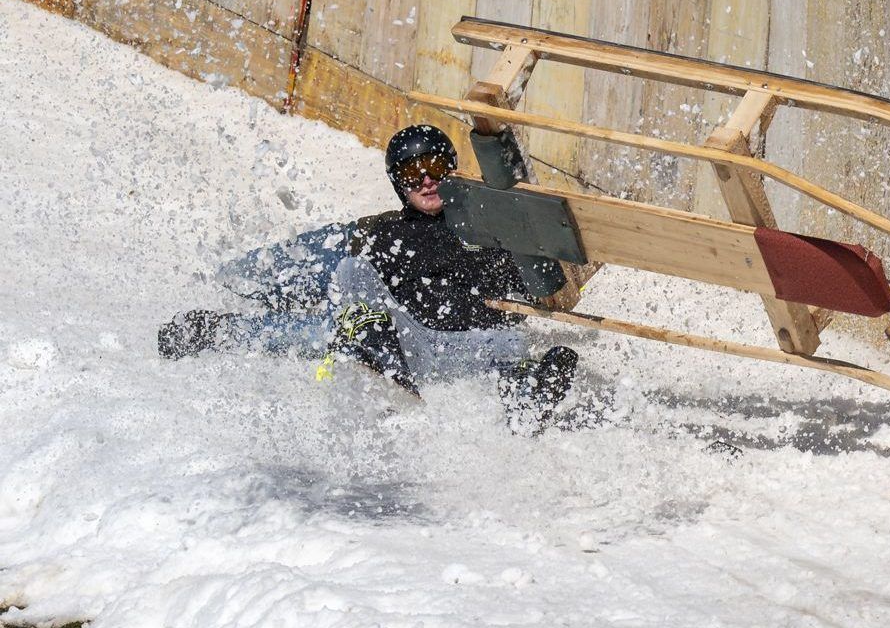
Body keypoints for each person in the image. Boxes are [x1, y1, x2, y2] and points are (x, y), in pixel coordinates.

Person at [157, 124, 579, 427]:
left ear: (451, 167)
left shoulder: (488, 224)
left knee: (514, 345)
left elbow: (530, 213)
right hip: (392, 329)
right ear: (399, 182)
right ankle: (222, 326)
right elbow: (346, 274)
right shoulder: (388, 231)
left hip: (453, 345)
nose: (428, 179)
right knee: (323, 299)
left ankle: (525, 396)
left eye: (434, 166)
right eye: (414, 174)